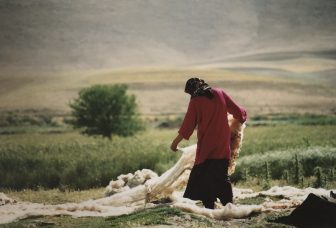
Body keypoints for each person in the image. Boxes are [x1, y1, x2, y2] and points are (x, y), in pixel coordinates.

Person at [170, 77, 247, 209]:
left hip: (206, 147)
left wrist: (174, 144)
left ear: (192, 91)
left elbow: (188, 126)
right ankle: (229, 205)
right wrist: (241, 118)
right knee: (222, 175)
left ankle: (209, 205)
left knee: (202, 176)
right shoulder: (220, 92)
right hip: (222, 144)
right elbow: (238, 111)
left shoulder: (195, 102)